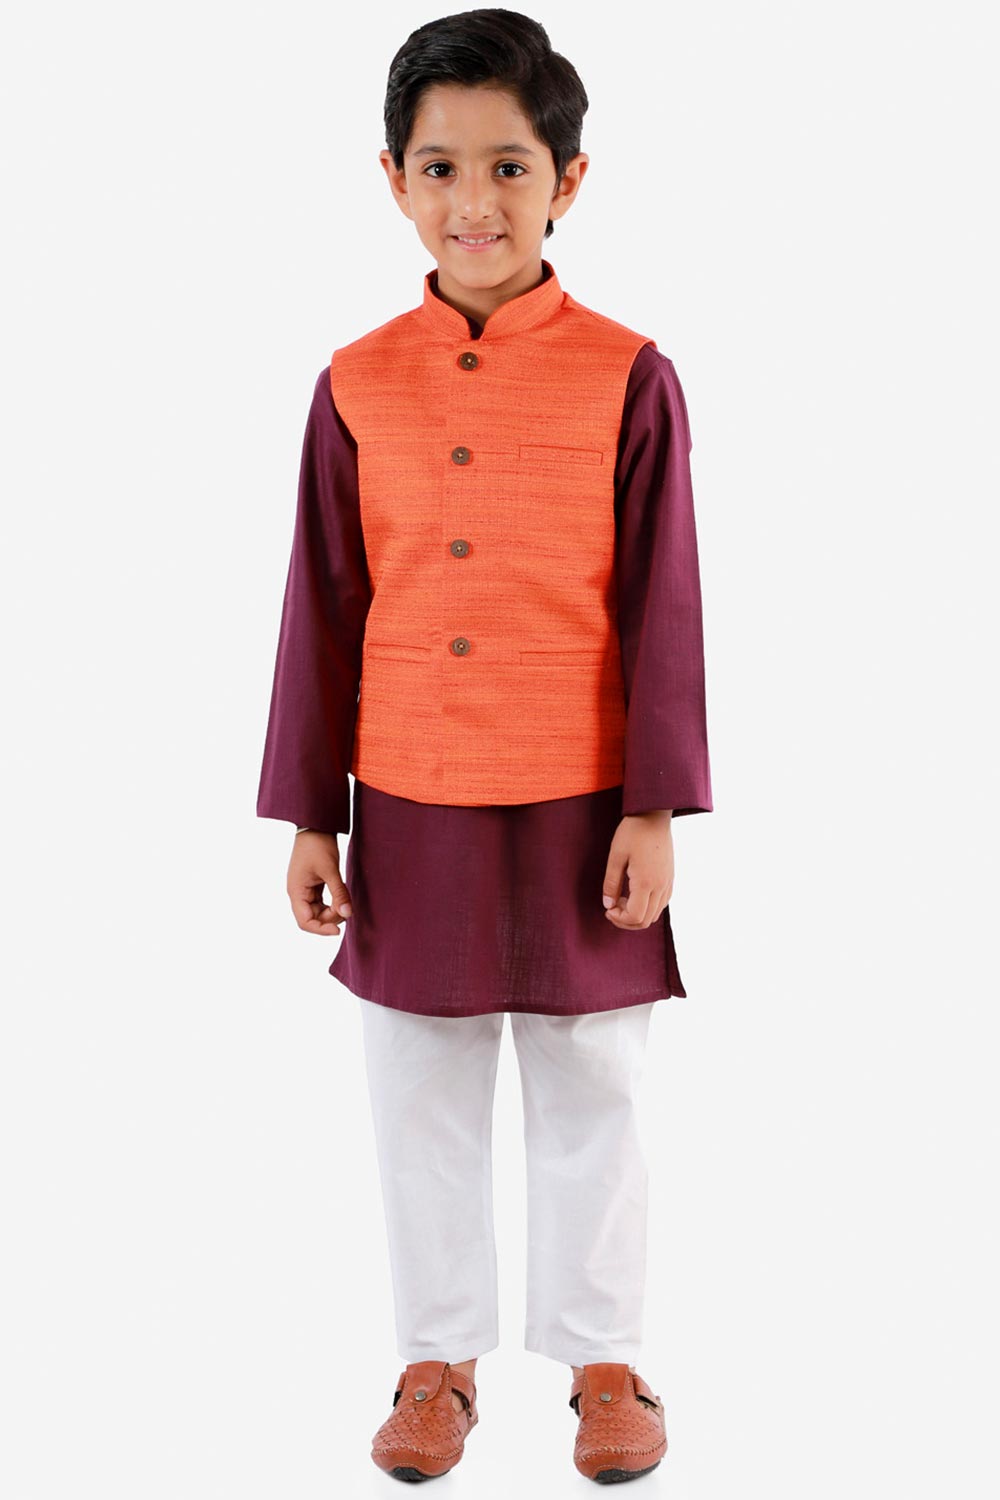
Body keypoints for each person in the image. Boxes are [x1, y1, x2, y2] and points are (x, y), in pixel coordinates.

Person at [256, 7, 713, 1484]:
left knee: (598, 1082)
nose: (475, 202)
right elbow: (323, 602)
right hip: (409, 786)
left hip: (589, 790)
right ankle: (435, 1360)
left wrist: (657, 805)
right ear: (392, 178)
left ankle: (606, 1360)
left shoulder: (630, 373)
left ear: (568, 179)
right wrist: (310, 816)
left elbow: (664, 599)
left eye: (510, 167)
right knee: (419, 1085)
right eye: (441, 167)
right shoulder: (353, 380)